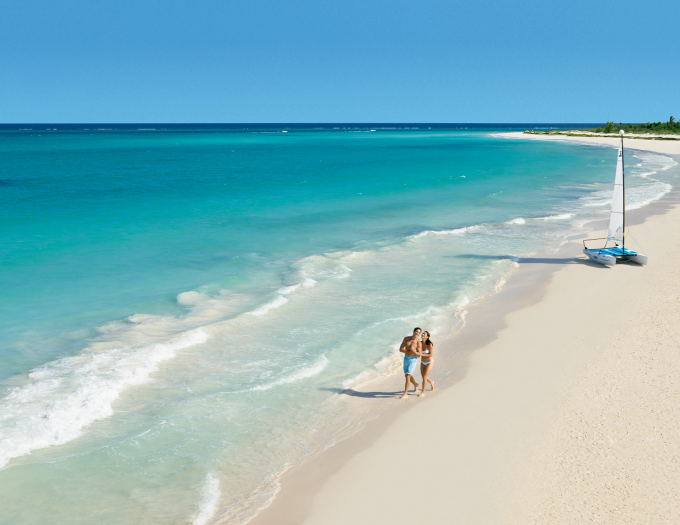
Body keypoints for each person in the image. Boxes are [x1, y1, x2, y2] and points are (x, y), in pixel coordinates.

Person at [399, 327, 422, 398]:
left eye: (419, 332)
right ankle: (415, 384)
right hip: (406, 358)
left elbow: (419, 355)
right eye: (416, 331)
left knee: (408, 375)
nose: (417, 333)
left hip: (413, 359)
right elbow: (401, 349)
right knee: (407, 375)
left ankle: (405, 394)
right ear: (413, 331)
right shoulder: (406, 339)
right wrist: (408, 351)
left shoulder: (418, 342)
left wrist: (413, 351)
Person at [419, 331, 435, 396]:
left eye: (424, 334)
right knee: (423, 376)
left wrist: (421, 354)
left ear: (427, 337)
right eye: (422, 333)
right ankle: (431, 382)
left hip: (429, 362)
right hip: (422, 362)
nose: (423, 334)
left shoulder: (429, 344)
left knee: (424, 377)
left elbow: (430, 354)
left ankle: (422, 392)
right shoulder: (419, 343)